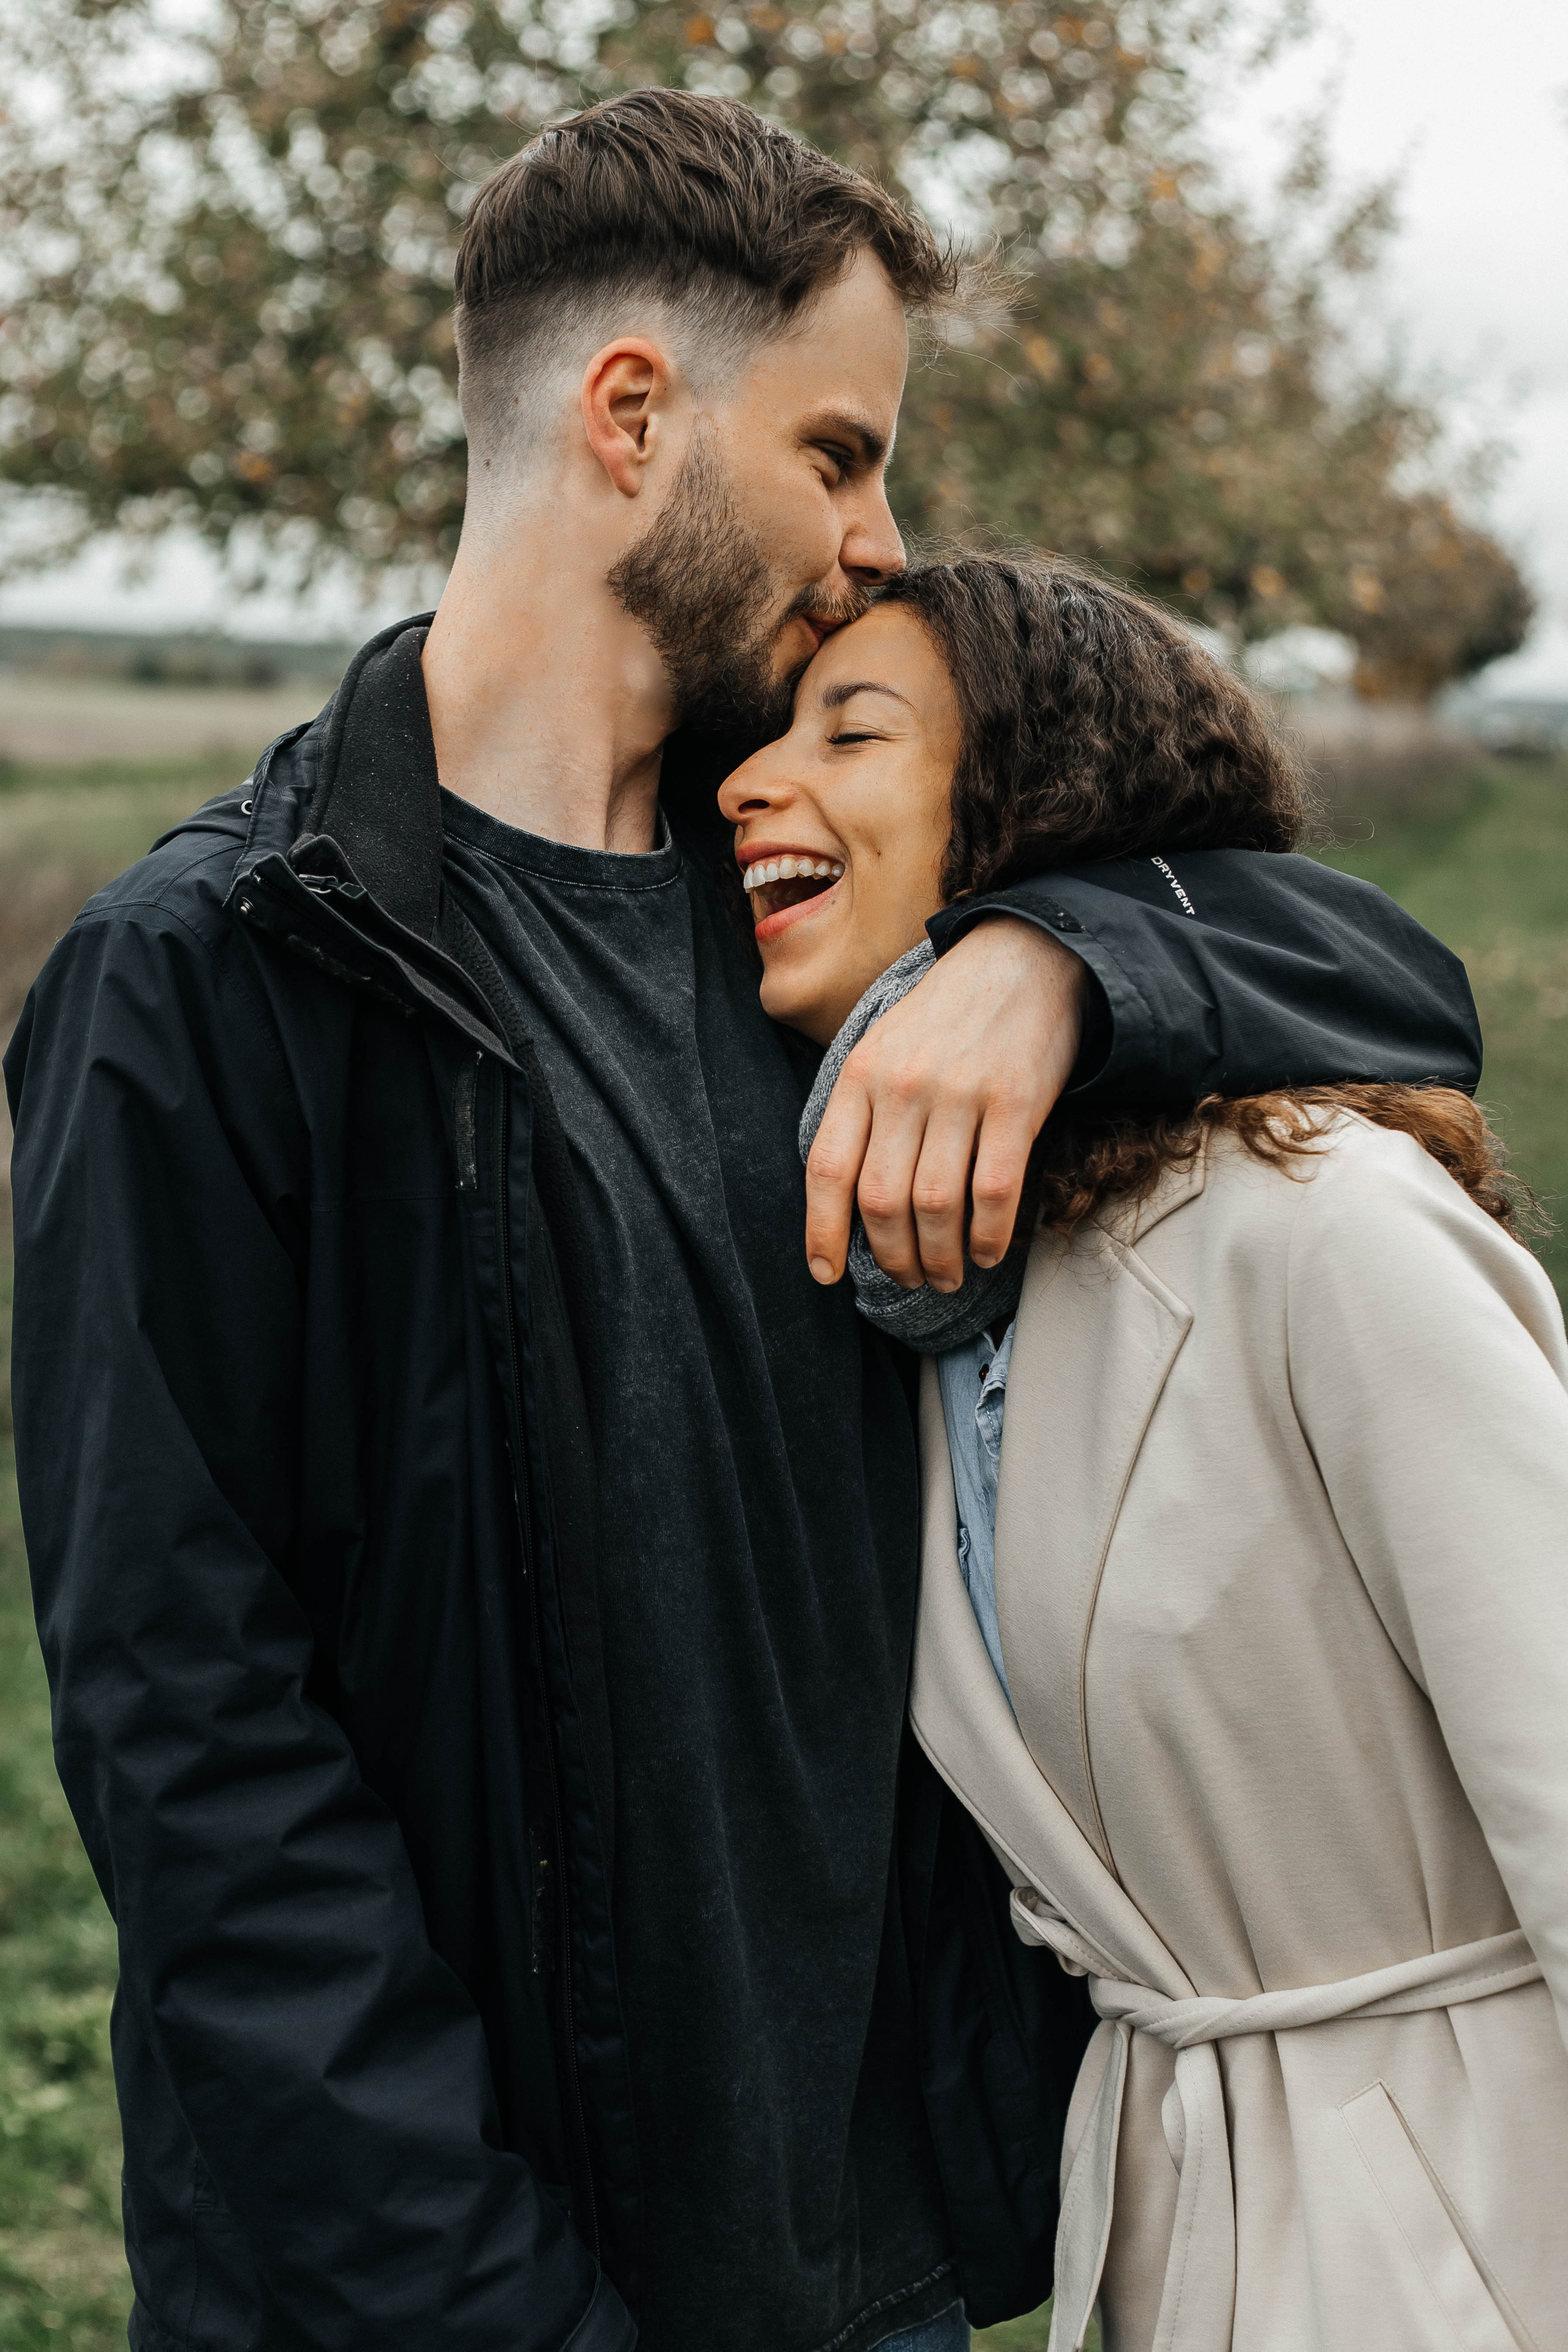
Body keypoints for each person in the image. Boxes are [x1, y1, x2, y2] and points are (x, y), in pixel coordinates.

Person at [5, 92, 1485, 2352]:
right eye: (838, 453)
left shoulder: (795, 900)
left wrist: (1058, 962)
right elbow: (200, 1762)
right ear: (630, 419)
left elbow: (1390, 972)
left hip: (864, 2265)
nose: (882, 540)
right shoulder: (216, 975)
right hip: (467, 2291)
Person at [721, 550, 1568, 2351]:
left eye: (849, 732)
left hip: (1479, 2220)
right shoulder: (931, 1300)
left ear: (1031, 812)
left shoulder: (1323, 1229)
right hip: (1172, 2218)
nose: (749, 781)